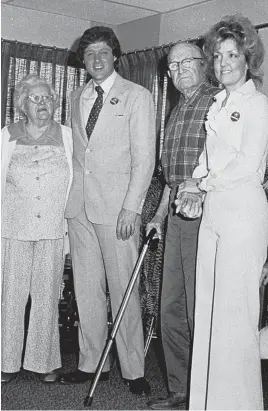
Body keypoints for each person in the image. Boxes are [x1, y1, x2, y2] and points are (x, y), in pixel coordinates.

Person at [175, 14, 268, 410]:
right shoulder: (218, 102)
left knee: (235, 317)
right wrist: (194, 183)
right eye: (217, 56)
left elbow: (248, 165)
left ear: (248, 58)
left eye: (232, 54)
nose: (223, 62)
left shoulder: (259, 105)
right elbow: (206, 158)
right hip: (214, 211)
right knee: (209, 314)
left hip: (243, 213)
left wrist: (204, 183)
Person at [59, 26, 155, 395]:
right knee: (86, 289)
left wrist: (132, 208)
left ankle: (133, 369)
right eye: (89, 54)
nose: (96, 59)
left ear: (115, 55)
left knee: (123, 289)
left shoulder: (137, 96)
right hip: (79, 206)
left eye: (102, 52)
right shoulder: (76, 95)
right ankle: (90, 361)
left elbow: (144, 159)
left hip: (118, 211)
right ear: (82, 60)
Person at [146, 42, 219, 409]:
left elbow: (225, 165)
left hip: (205, 212)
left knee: (197, 307)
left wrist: (200, 192)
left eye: (186, 62)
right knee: (170, 305)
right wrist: (159, 215)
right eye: (172, 66)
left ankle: (204, 393)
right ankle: (181, 388)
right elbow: (172, 177)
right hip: (176, 212)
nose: (179, 71)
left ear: (204, 64)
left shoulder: (218, 102)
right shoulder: (176, 110)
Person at [1, 74, 73, 383]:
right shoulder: (6, 136)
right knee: (12, 295)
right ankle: (6, 361)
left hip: (54, 229)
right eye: (35, 98)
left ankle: (44, 363)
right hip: (14, 227)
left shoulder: (68, 135)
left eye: (47, 98)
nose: (42, 104)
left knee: (46, 297)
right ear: (22, 105)